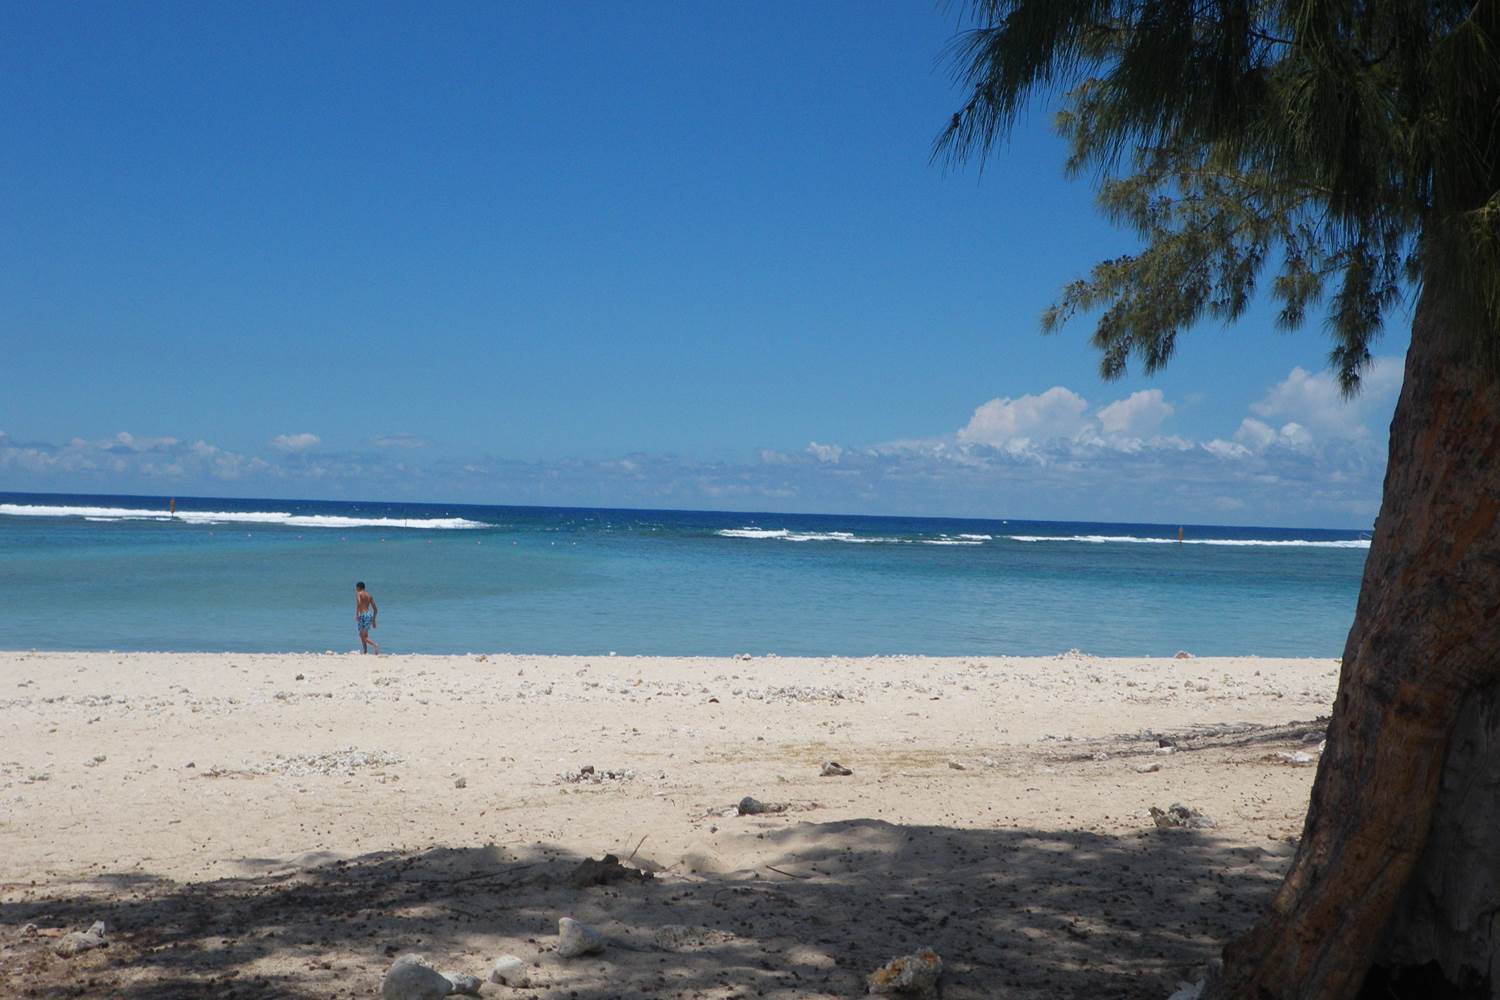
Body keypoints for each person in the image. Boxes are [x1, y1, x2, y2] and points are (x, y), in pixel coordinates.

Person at [354, 581, 380, 655]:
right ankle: (365, 651)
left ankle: (375, 645)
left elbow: (359, 603)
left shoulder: (359, 594)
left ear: (358, 587)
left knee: (362, 636)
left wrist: (356, 614)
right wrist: (374, 620)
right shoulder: (369, 595)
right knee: (364, 635)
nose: (356, 589)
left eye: (356, 588)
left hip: (363, 615)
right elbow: (375, 609)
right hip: (369, 615)